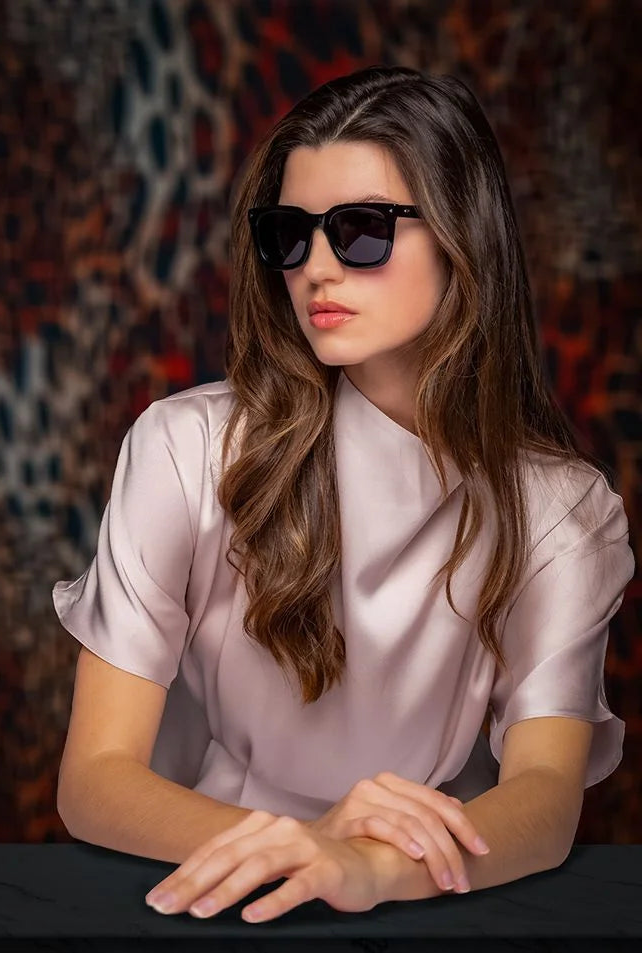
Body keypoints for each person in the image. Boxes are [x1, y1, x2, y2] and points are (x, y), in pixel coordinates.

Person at [52, 65, 635, 920]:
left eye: (362, 230)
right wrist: (309, 842)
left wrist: (368, 867)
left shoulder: (563, 509)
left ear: (462, 236)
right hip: (206, 886)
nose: (317, 268)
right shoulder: (187, 447)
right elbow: (94, 781)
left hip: (425, 886)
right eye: (289, 234)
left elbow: (545, 802)